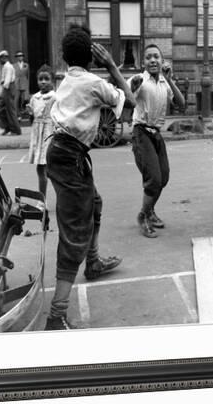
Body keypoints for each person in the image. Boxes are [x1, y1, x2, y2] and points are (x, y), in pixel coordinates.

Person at [44, 25, 136, 330]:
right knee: (74, 232)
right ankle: (56, 314)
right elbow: (130, 102)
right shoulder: (95, 82)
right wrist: (111, 64)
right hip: (71, 156)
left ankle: (93, 262)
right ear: (92, 58)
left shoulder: (67, 79)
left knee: (94, 203)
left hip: (61, 151)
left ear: (64, 57)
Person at [128, 45, 185, 238]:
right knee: (153, 178)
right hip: (141, 132)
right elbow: (126, 98)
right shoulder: (138, 80)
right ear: (142, 62)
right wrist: (132, 88)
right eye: (148, 58)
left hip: (156, 134)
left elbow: (181, 104)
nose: (153, 60)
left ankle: (150, 211)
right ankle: (143, 216)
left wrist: (169, 79)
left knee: (164, 177)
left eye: (156, 57)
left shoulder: (164, 82)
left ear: (162, 61)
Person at [26, 65, 56, 198]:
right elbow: (33, 116)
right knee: (40, 169)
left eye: (46, 79)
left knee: (51, 169)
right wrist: (30, 113)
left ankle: (62, 198)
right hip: (38, 134)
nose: (43, 82)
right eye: (40, 79)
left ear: (52, 81)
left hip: (49, 133)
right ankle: (42, 200)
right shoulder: (35, 97)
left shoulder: (55, 97)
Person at [0, 50, 21, 136]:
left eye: (0, 59)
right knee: (1, 109)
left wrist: (1, 93)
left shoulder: (8, 67)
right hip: (6, 89)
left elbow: (7, 81)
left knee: (10, 110)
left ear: (4, 58)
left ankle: (15, 130)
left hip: (9, 89)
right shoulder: (5, 67)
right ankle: (7, 127)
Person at [14, 51, 29, 117]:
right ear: (17, 58)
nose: (20, 57)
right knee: (17, 98)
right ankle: (16, 112)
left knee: (24, 98)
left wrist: (27, 84)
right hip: (16, 83)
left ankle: (23, 111)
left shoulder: (26, 65)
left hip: (24, 83)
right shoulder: (13, 65)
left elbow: (28, 75)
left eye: (21, 56)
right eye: (18, 56)